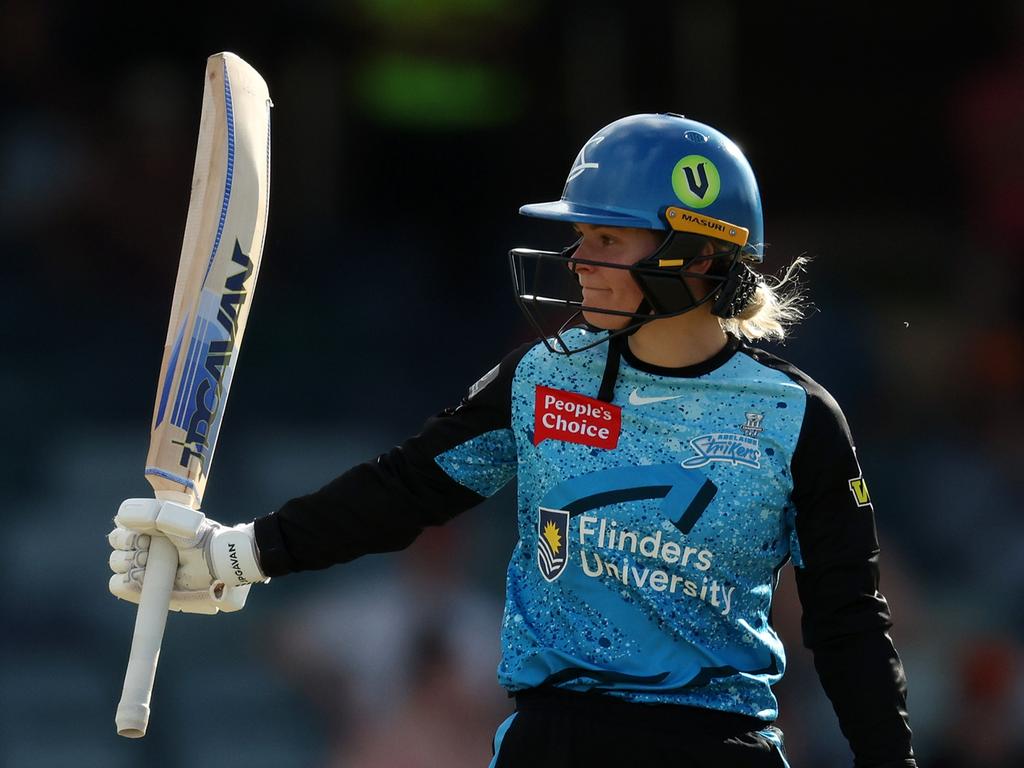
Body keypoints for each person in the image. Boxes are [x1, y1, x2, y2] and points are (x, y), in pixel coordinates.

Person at [108, 113, 916, 767]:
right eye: (582, 236)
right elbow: (406, 488)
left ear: (700, 253)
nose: (579, 260)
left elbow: (847, 623)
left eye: (608, 239)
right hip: (552, 744)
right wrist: (238, 553)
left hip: (713, 746)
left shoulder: (797, 418)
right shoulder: (544, 376)